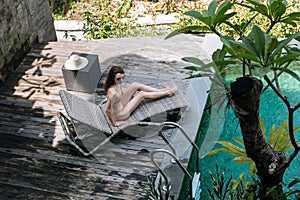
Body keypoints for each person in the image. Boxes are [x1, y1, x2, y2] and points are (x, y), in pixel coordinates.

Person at [104, 66, 178, 126]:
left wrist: (132, 97)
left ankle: (161, 90)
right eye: (118, 79)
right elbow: (107, 110)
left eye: (122, 78)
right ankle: (167, 92)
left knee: (135, 85)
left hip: (121, 104)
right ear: (112, 78)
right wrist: (114, 123)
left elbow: (122, 94)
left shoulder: (116, 84)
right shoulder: (112, 93)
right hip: (121, 114)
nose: (121, 81)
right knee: (142, 94)